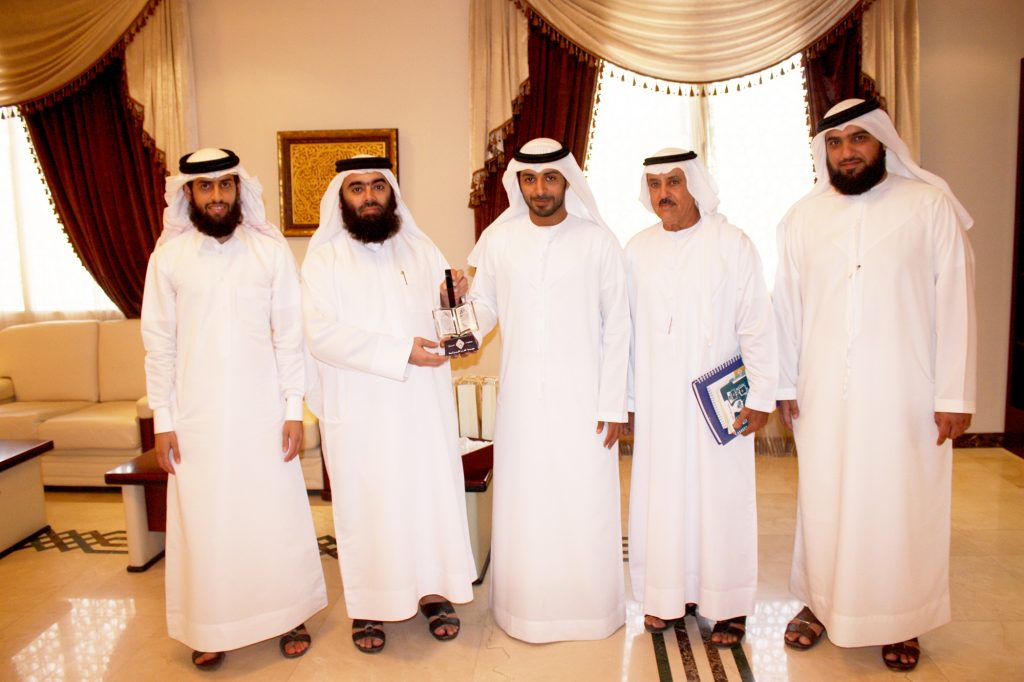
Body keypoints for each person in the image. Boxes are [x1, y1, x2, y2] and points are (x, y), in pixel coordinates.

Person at [773, 99, 976, 671]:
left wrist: (954, 395)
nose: (847, 152)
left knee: (900, 504)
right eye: (835, 142)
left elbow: (956, 302)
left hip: (906, 395)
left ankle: (902, 616)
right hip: (823, 395)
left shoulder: (929, 206)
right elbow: (785, 307)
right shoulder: (802, 217)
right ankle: (819, 602)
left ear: (883, 141)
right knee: (824, 499)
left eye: (858, 139)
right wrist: (785, 382)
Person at [141, 148, 327, 671]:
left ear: (239, 188)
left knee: (273, 516)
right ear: (189, 193)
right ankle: (210, 625)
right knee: (207, 523)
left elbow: (290, 336)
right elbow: (159, 344)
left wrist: (293, 409)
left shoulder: (269, 252)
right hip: (196, 417)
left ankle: (288, 615)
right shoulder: (168, 258)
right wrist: (163, 421)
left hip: (263, 412)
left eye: (226, 185)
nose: (218, 196)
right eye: (206, 187)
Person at [302, 156, 476, 654]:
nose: (369, 196)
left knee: (426, 496)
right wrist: (401, 352)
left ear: (391, 192)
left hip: (421, 405)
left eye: (378, 186)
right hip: (360, 408)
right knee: (369, 505)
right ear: (342, 198)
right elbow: (320, 335)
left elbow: (449, 321)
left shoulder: (421, 250)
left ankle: (433, 592)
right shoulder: (324, 259)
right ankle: (371, 605)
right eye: (357, 188)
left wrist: (453, 297)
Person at [464, 137, 631, 643]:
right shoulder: (499, 240)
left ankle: (589, 610)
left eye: (550, 178)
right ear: (518, 183)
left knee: (583, 500)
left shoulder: (598, 242)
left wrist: (614, 403)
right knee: (526, 503)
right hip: (521, 402)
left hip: (585, 401)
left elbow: (618, 326)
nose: (539, 189)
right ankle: (522, 611)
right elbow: (484, 309)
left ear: (566, 181)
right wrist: (456, 320)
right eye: (530, 179)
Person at [625, 149, 777, 647]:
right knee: (663, 497)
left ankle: (728, 605)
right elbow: (624, 332)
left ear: (695, 185)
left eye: (674, 181)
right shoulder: (637, 250)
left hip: (719, 404)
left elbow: (757, 322)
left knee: (722, 498)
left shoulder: (732, 244)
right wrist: (627, 398)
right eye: (654, 184)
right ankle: (668, 596)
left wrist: (761, 393)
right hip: (658, 403)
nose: (663, 194)